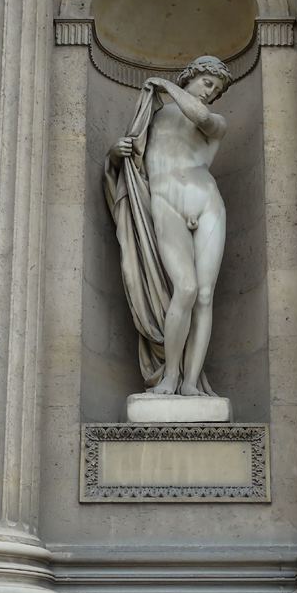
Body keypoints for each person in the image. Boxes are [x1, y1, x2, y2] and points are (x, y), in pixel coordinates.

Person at [104, 56, 234, 397]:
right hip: (165, 203)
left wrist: (168, 87)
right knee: (187, 289)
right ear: (191, 76)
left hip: (207, 203)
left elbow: (200, 115)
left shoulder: (215, 121)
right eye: (208, 83)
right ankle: (169, 378)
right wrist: (117, 154)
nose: (211, 93)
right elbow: (130, 166)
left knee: (205, 296)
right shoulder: (152, 118)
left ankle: (191, 384)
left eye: (217, 90)